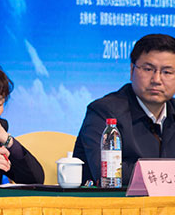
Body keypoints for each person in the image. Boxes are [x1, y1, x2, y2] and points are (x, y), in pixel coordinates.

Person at [73, 34, 175, 185]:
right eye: (148, 69)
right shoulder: (103, 112)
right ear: (132, 70)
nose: (157, 80)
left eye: (167, 72)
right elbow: (108, 174)